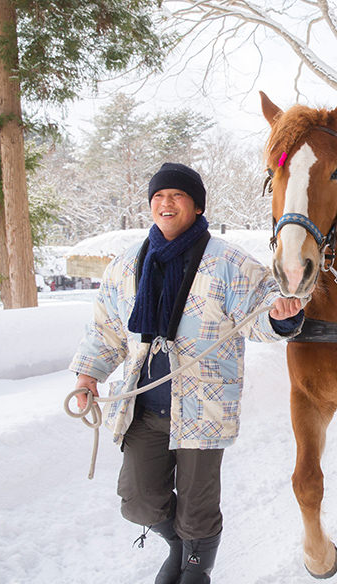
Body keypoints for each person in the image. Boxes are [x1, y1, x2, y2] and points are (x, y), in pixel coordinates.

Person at [69, 162, 303, 584]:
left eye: (177, 195)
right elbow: (106, 329)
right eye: (159, 196)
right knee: (138, 499)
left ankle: (197, 567)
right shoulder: (126, 265)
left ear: (196, 206)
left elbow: (261, 312)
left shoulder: (229, 262)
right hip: (144, 406)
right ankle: (179, 545)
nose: (166, 203)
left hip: (203, 407)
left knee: (197, 509)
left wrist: (279, 316)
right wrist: (88, 376)